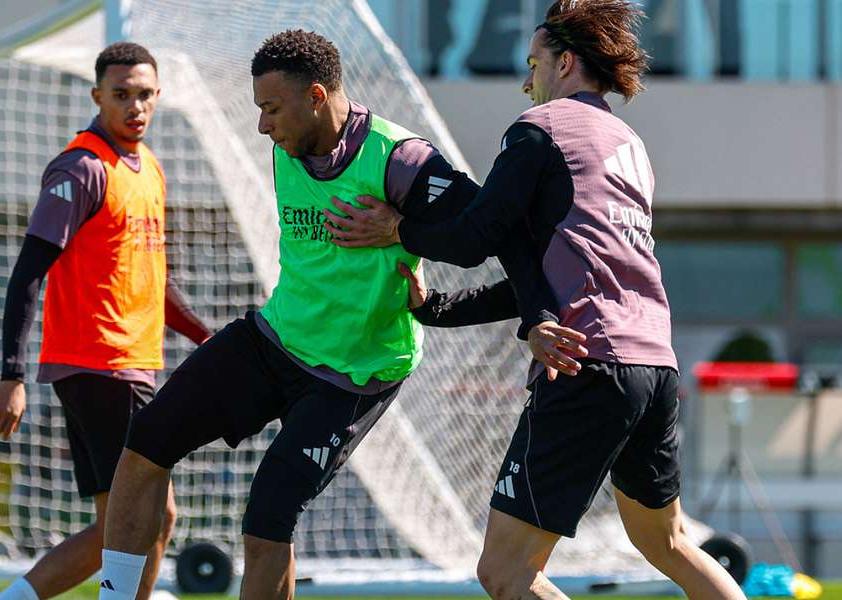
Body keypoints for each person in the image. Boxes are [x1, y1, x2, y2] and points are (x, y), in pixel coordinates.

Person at [94, 29, 548, 600]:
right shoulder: (289, 141)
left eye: (272, 109)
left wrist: (404, 230)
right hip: (277, 337)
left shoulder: (400, 160)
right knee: (145, 445)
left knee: (267, 521)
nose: (263, 125)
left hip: (353, 375)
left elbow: (489, 233)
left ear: (316, 97)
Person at [321, 1, 748, 599]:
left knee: (505, 573)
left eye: (534, 64)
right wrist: (438, 308)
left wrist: (398, 230)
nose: (527, 82)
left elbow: (475, 236)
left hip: (586, 361)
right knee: (668, 542)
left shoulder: (540, 130)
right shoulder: (628, 144)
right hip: (654, 365)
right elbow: (555, 274)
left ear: (566, 62)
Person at [0, 42, 211, 600]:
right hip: (100, 365)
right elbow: (27, 273)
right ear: (97, 97)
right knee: (149, 514)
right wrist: (12, 374)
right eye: (121, 95)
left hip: (130, 365)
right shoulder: (81, 168)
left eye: (144, 95)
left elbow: (153, 280)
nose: (135, 106)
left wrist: (208, 337)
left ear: (157, 97)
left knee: (128, 520)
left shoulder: (149, 168)